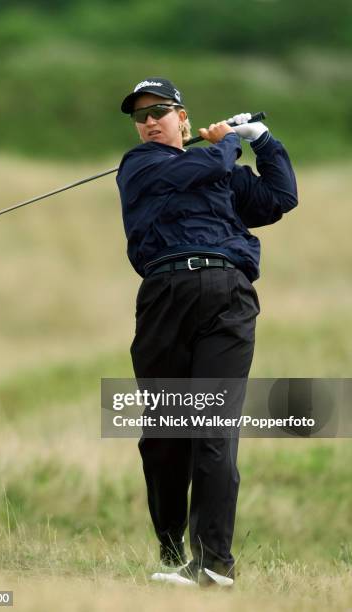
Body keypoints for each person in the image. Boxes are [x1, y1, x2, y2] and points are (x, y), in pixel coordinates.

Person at [116, 77, 298, 587]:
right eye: (141, 116)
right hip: (166, 296)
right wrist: (229, 144)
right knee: (166, 433)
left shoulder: (219, 167)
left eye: (161, 112)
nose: (150, 122)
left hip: (227, 293)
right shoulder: (141, 166)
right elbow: (206, 166)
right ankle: (172, 547)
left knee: (214, 431)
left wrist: (263, 140)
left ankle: (214, 562)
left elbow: (279, 197)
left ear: (183, 118)